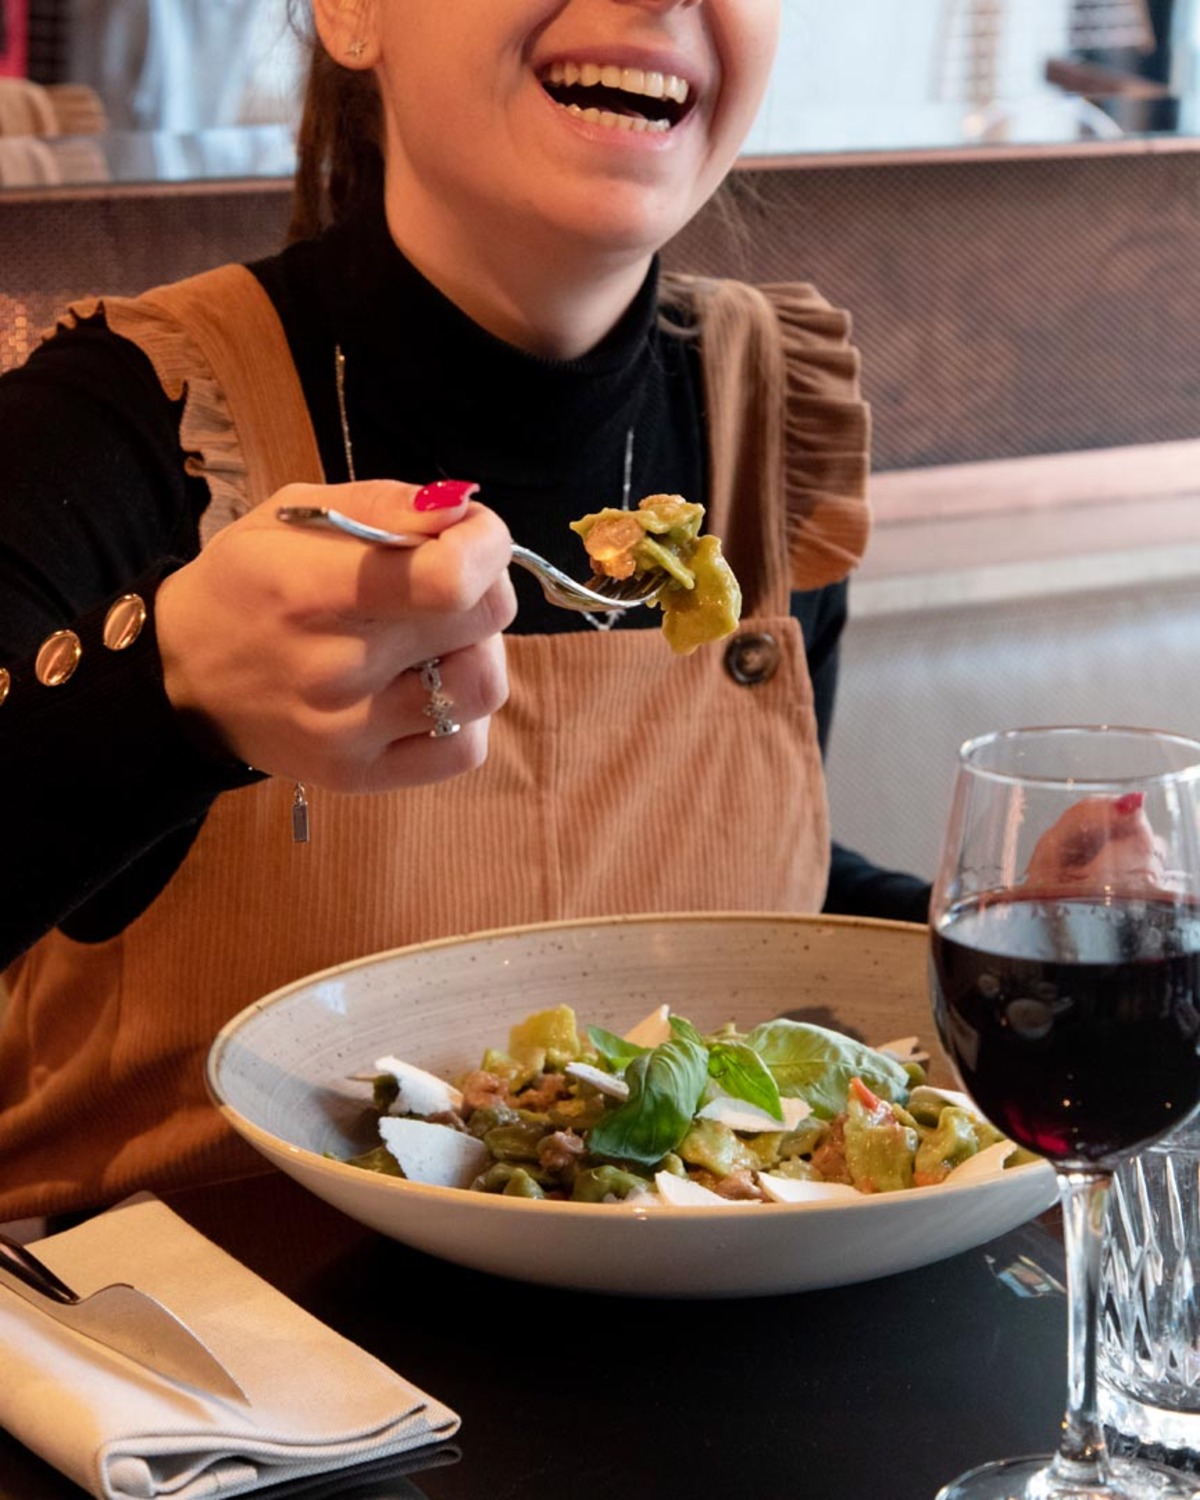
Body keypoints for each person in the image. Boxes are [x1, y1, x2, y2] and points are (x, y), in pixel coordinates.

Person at [0, 0, 928, 1224]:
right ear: (353, 12)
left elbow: (741, 897)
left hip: (692, 1366)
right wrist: (170, 702)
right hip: (186, 1371)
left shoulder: (767, 417)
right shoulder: (121, 423)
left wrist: (1006, 921)